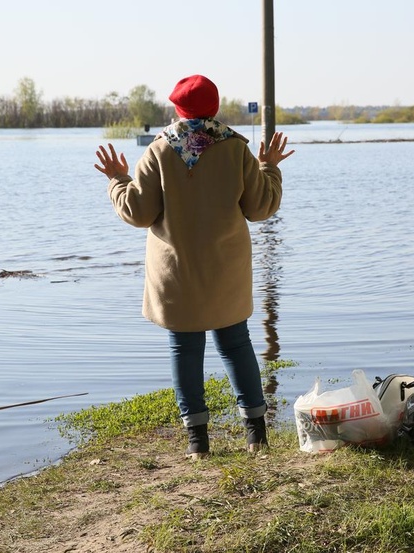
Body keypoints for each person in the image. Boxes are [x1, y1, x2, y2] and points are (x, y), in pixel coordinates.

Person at [94, 74, 294, 460]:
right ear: (215, 108)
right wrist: (269, 167)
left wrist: (117, 179)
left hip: (177, 275)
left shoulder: (157, 152)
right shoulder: (237, 150)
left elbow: (138, 212)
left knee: (184, 349)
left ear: (176, 109)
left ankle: (198, 444)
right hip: (226, 272)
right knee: (236, 345)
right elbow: (260, 208)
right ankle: (256, 437)